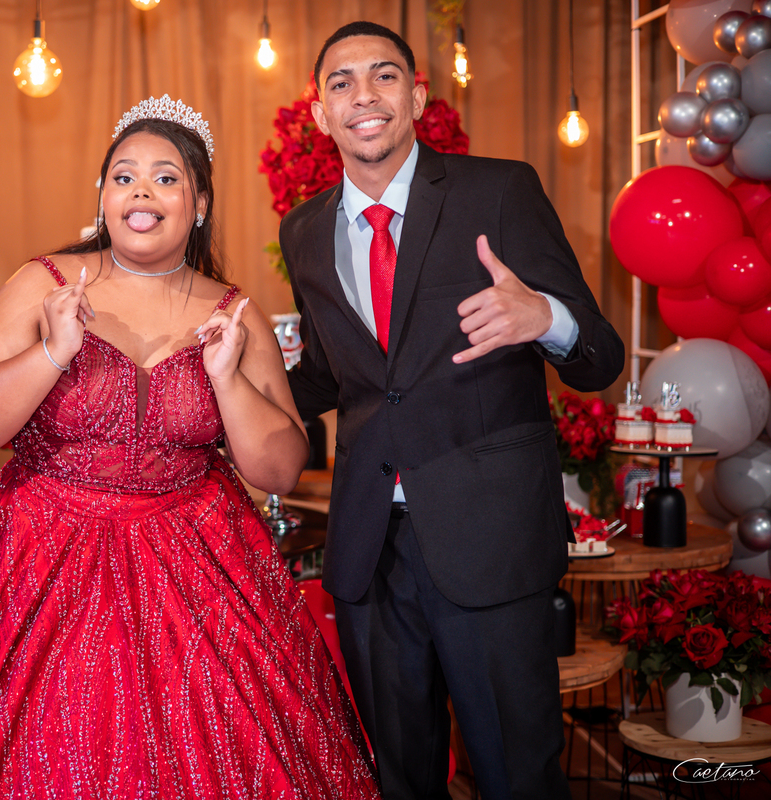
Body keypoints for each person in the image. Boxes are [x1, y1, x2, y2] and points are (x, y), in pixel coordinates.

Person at [0, 97, 379, 799]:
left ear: (199, 203)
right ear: (103, 197)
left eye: (165, 178)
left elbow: (278, 469)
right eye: (124, 177)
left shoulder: (233, 312)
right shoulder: (43, 283)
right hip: (38, 564)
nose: (141, 193)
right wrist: (51, 353)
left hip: (198, 569)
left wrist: (226, 380)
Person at [281, 21, 625, 800]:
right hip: (369, 548)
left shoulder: (499, 192)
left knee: (517, 776)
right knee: (399, 780)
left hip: (490, 540)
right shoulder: (303, 231)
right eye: (341, 82)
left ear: (417, 98)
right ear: (320, 113)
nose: (363, 95)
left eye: (384, 76)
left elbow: (602, 358)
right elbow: (331, 379)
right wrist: (219, 387)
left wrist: (547, 317)